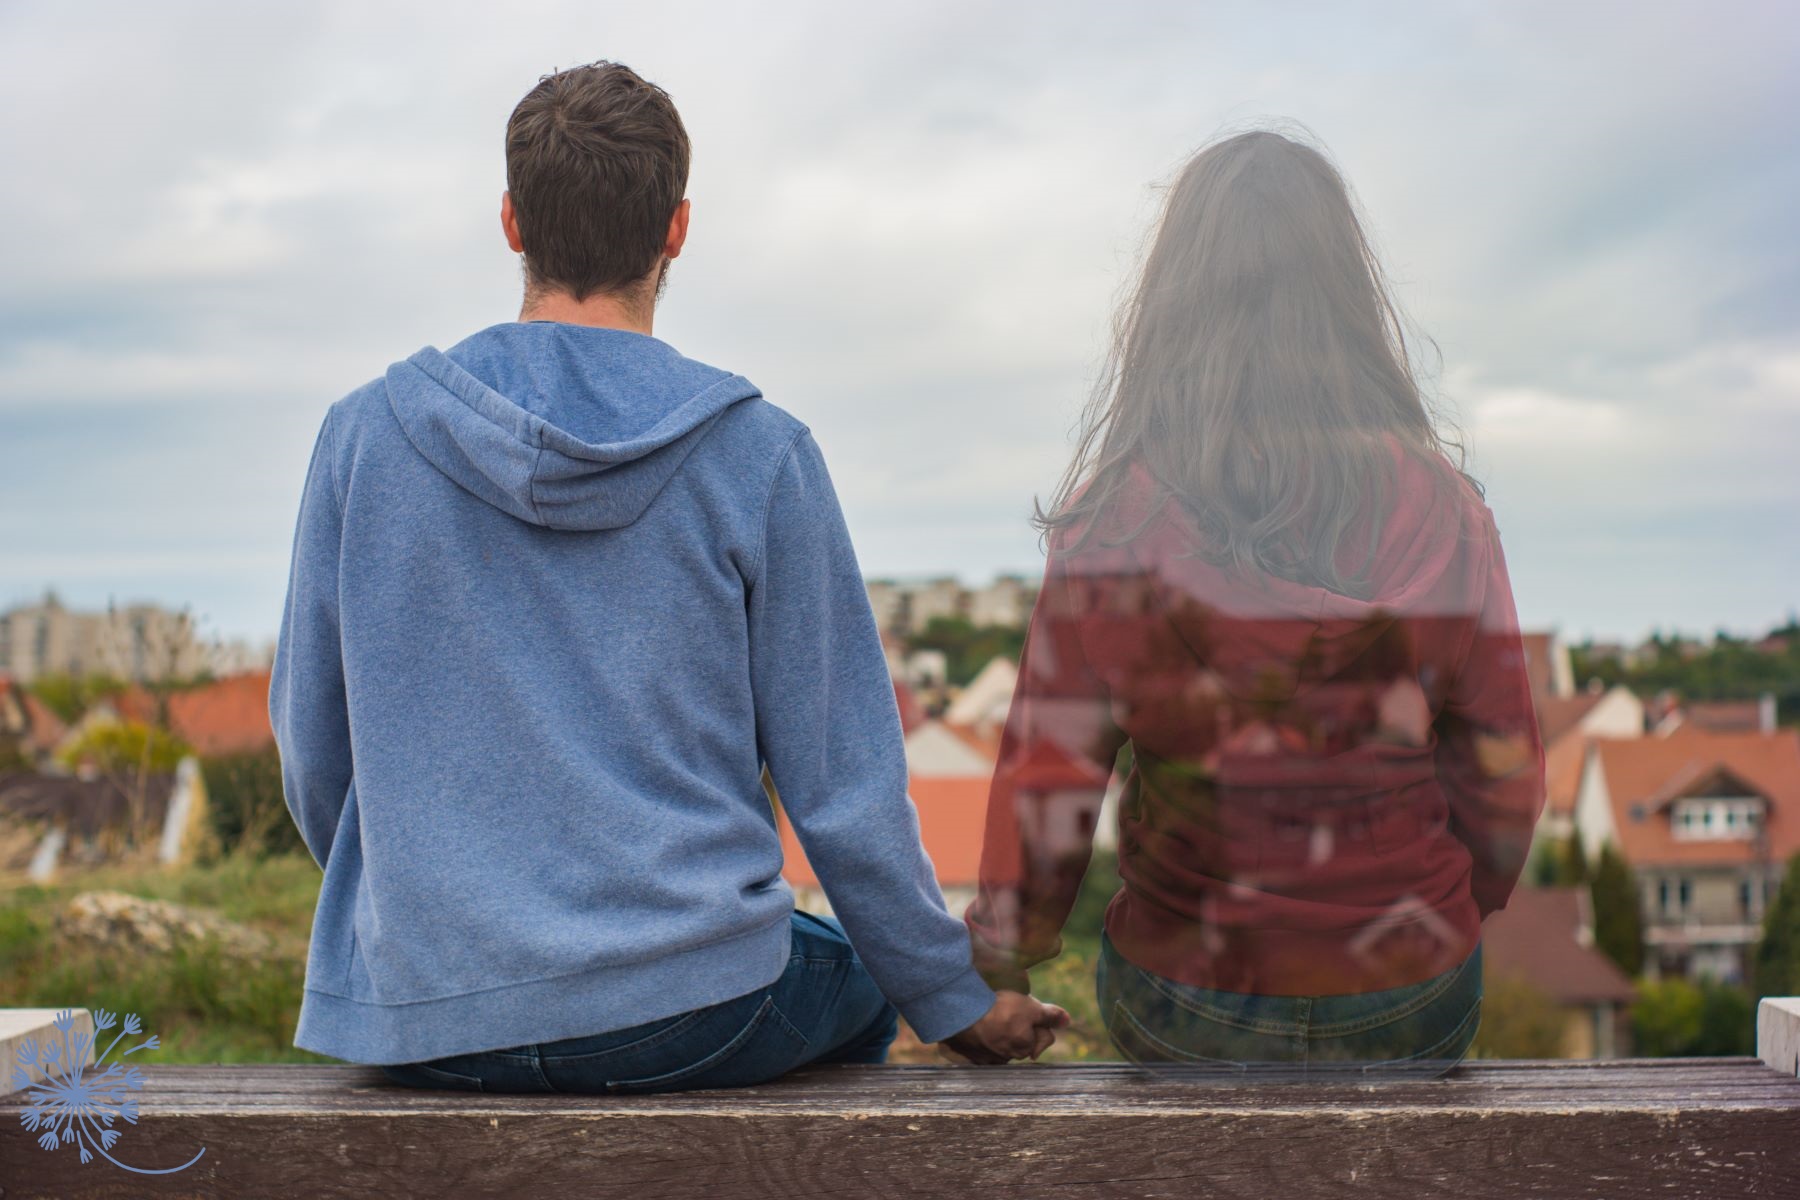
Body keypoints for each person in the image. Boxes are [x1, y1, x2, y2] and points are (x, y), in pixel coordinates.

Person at [269, 60, 1066, 1094]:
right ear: (677, 229)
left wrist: (436, 922)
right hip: (692, 1009)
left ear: (511, 222)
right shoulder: (759, 454)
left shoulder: (362, 439)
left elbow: (313, 748)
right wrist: (953, 1000)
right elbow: (842, 794)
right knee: (860, 977)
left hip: (428, 1010)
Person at [962, 130, 1545, 1079]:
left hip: (1186, 997)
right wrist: (1443, 912)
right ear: (1348, 299)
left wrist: (999, 963)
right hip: (1415, 994)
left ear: (1172, 306)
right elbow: (1505, 770)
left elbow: (1050, 780)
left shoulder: (1114, 523)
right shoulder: (1447, 509)